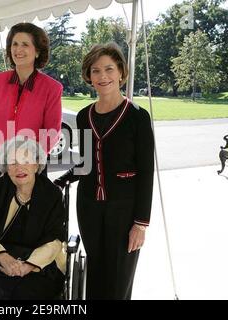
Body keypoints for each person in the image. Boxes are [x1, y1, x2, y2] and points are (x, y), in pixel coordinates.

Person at [54, 43, 155, 299]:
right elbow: (87, 162)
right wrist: (62, 179)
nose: (103, 76)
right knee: (96, 277)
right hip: (89, 208)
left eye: (109, 69)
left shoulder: (137, 117)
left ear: (121, 72)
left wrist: (141, 224)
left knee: (119, 283)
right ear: (89, 76)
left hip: (125, 211)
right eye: (95, 70)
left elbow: (146, 172)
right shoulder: (84, 116)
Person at [0, 22, 63, 198]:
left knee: (26, 224)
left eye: (25, 44)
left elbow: (51, 132)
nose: (18, 49)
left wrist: (26, 162)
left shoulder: (52, 88)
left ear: (38, 51)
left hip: (29, 169)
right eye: (14, 44)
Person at [0, 137, 66, 299]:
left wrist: (27, 266)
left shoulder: (51, 194)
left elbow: (55, 239)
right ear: (6, 168)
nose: (20, 167)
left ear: (36, 164)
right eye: (13, 163)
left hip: (39, 264)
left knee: (26, 293)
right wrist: (2, 256)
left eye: (26, 160)